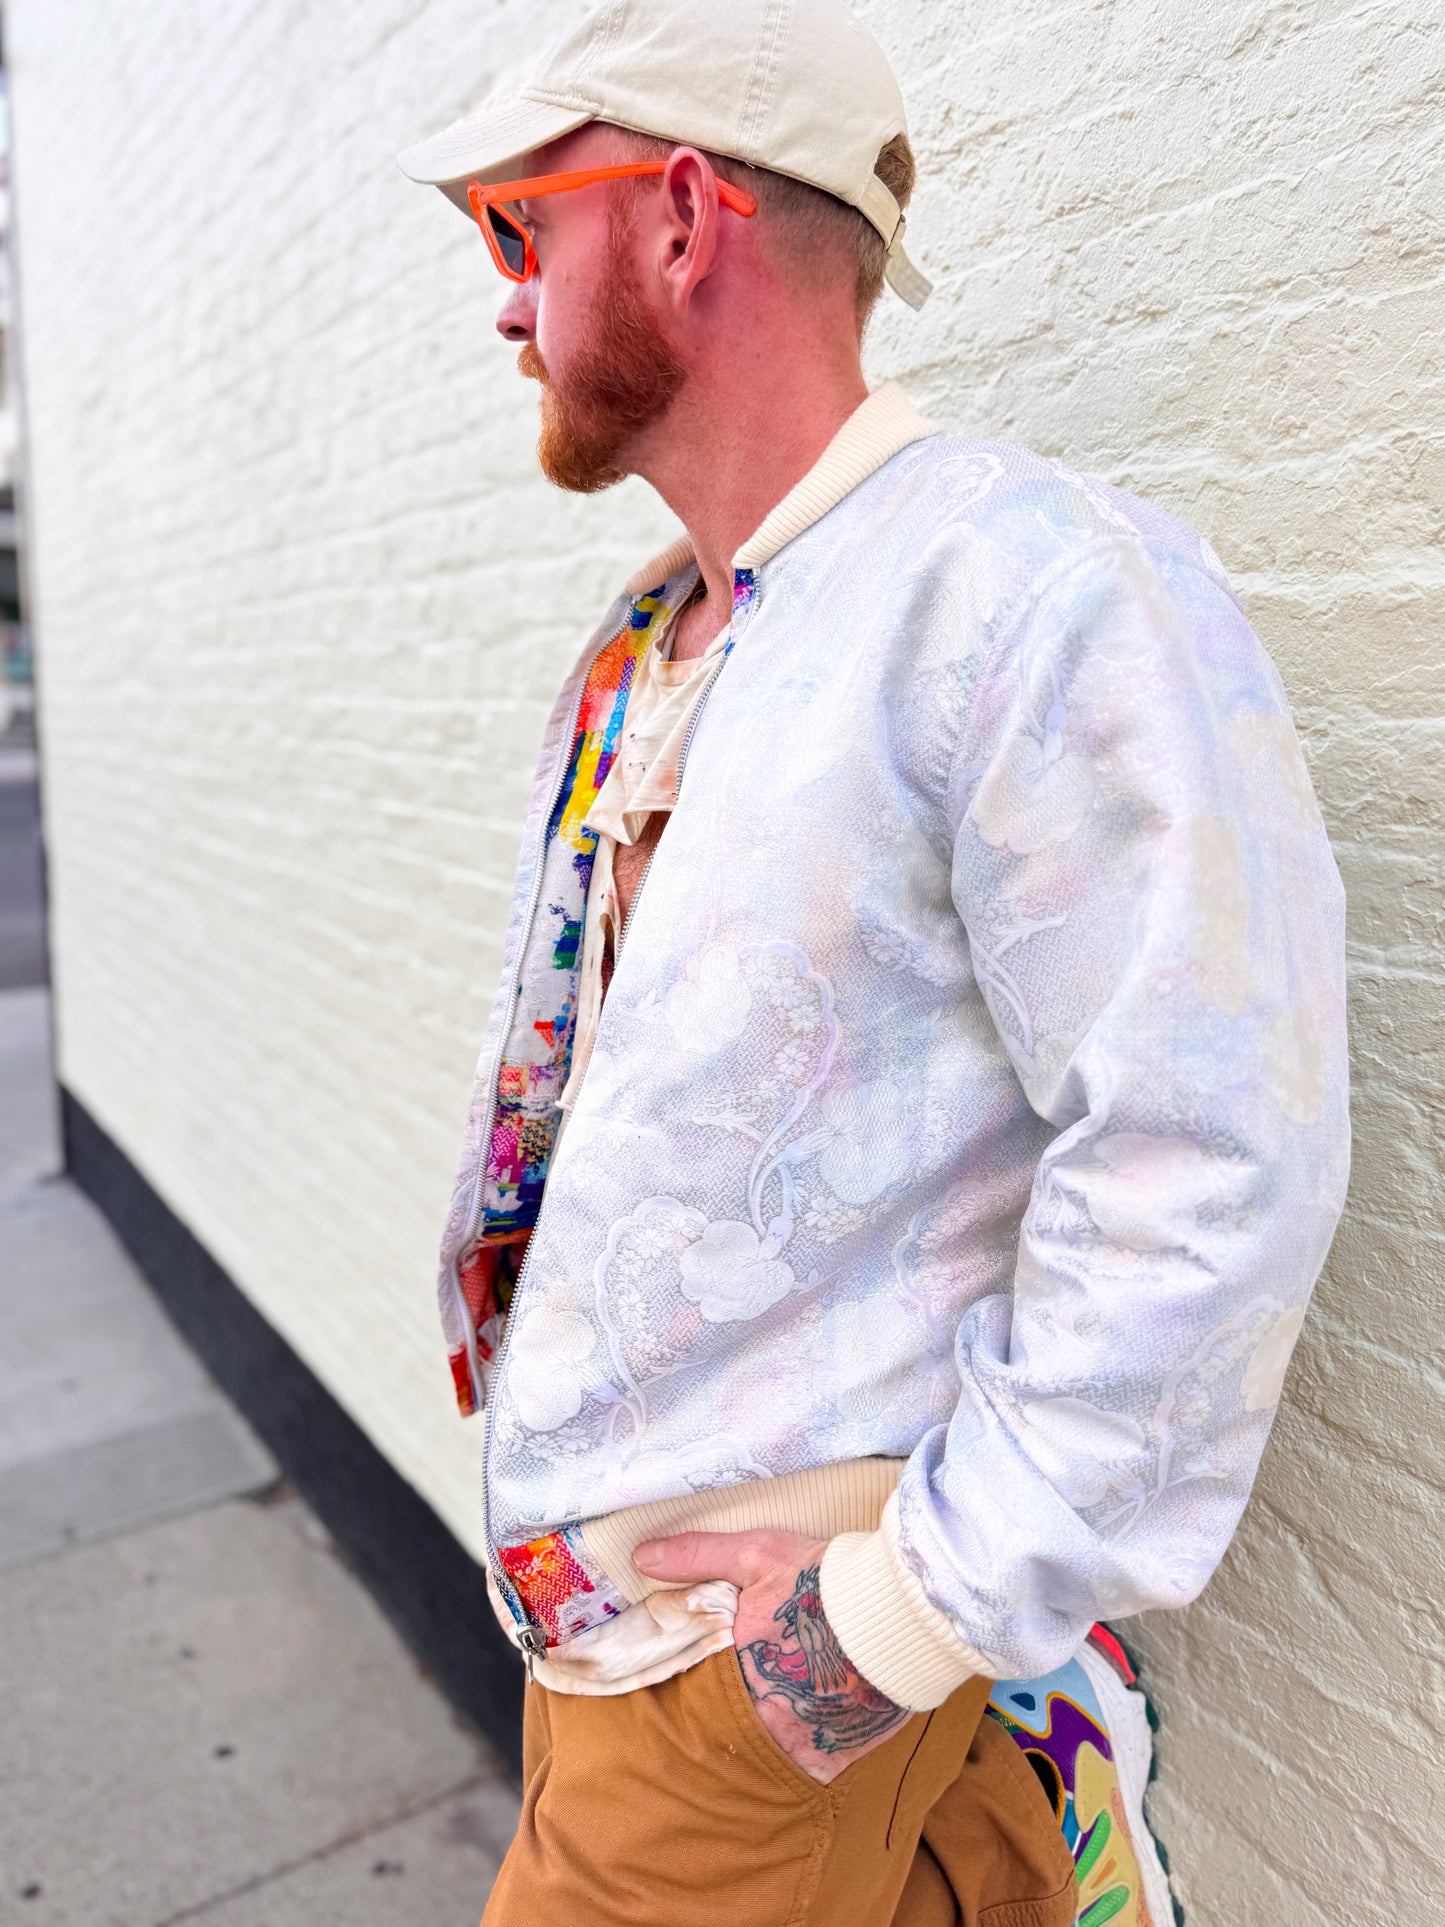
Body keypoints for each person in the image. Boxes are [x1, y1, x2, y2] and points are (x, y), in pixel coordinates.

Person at [398, 3, 1349, 1920]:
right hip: (660, 1641)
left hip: (745, 1689)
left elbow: (1210, 1146)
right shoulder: (661, 634)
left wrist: (899, 1617)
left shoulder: (1027, 591)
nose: (501, 307)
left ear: (678, 216)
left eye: (520, 230)